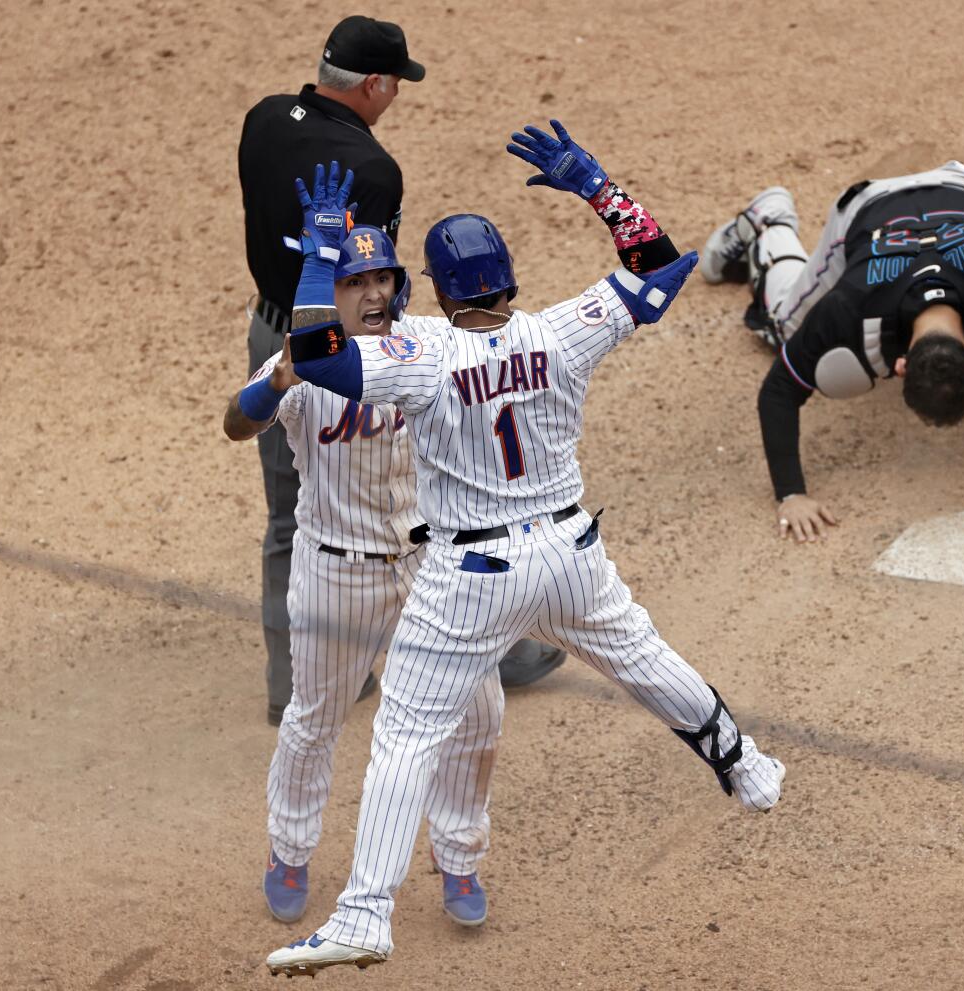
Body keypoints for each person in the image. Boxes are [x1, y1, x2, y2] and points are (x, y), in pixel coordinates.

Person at [260, 125, 787, 978]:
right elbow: (660, 273)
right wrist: (596, 187)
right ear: (508, 277)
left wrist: (323, 260)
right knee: (643, 655)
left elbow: (318, 357)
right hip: (571, 554)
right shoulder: (563, 329)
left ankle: (363, 914)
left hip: (470, 577)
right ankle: (746, 764)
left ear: (431, 287)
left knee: (403, 735)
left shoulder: (421, 350)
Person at [237, 15, 561, 722]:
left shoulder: (264, 117)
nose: (396, 97)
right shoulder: (374, 170)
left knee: (294, 513)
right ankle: (495, 649)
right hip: (353, 352)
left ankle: (291, 684)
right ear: (376, 83)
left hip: (271, 329)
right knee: (425, 495)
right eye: (396, 85)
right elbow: (370, 279)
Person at [223, 226, 501, 930]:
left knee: (479, 710)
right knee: (315, 719)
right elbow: (235, 421)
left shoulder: (430, 345)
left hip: (429, 564)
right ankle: (289, 850)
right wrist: (277, 378)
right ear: (331, 295)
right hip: (336, 573)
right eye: (356, 281)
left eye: (384, 277)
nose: (375, 291)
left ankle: (460, 854)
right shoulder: (301, 361)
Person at [700, 163, 964, 543]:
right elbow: (777, 390)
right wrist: (789, 493)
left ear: (899, 366)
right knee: (782, 326)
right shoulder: (847, 305)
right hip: (869, 209)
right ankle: (770, 220)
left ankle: (772, 222)